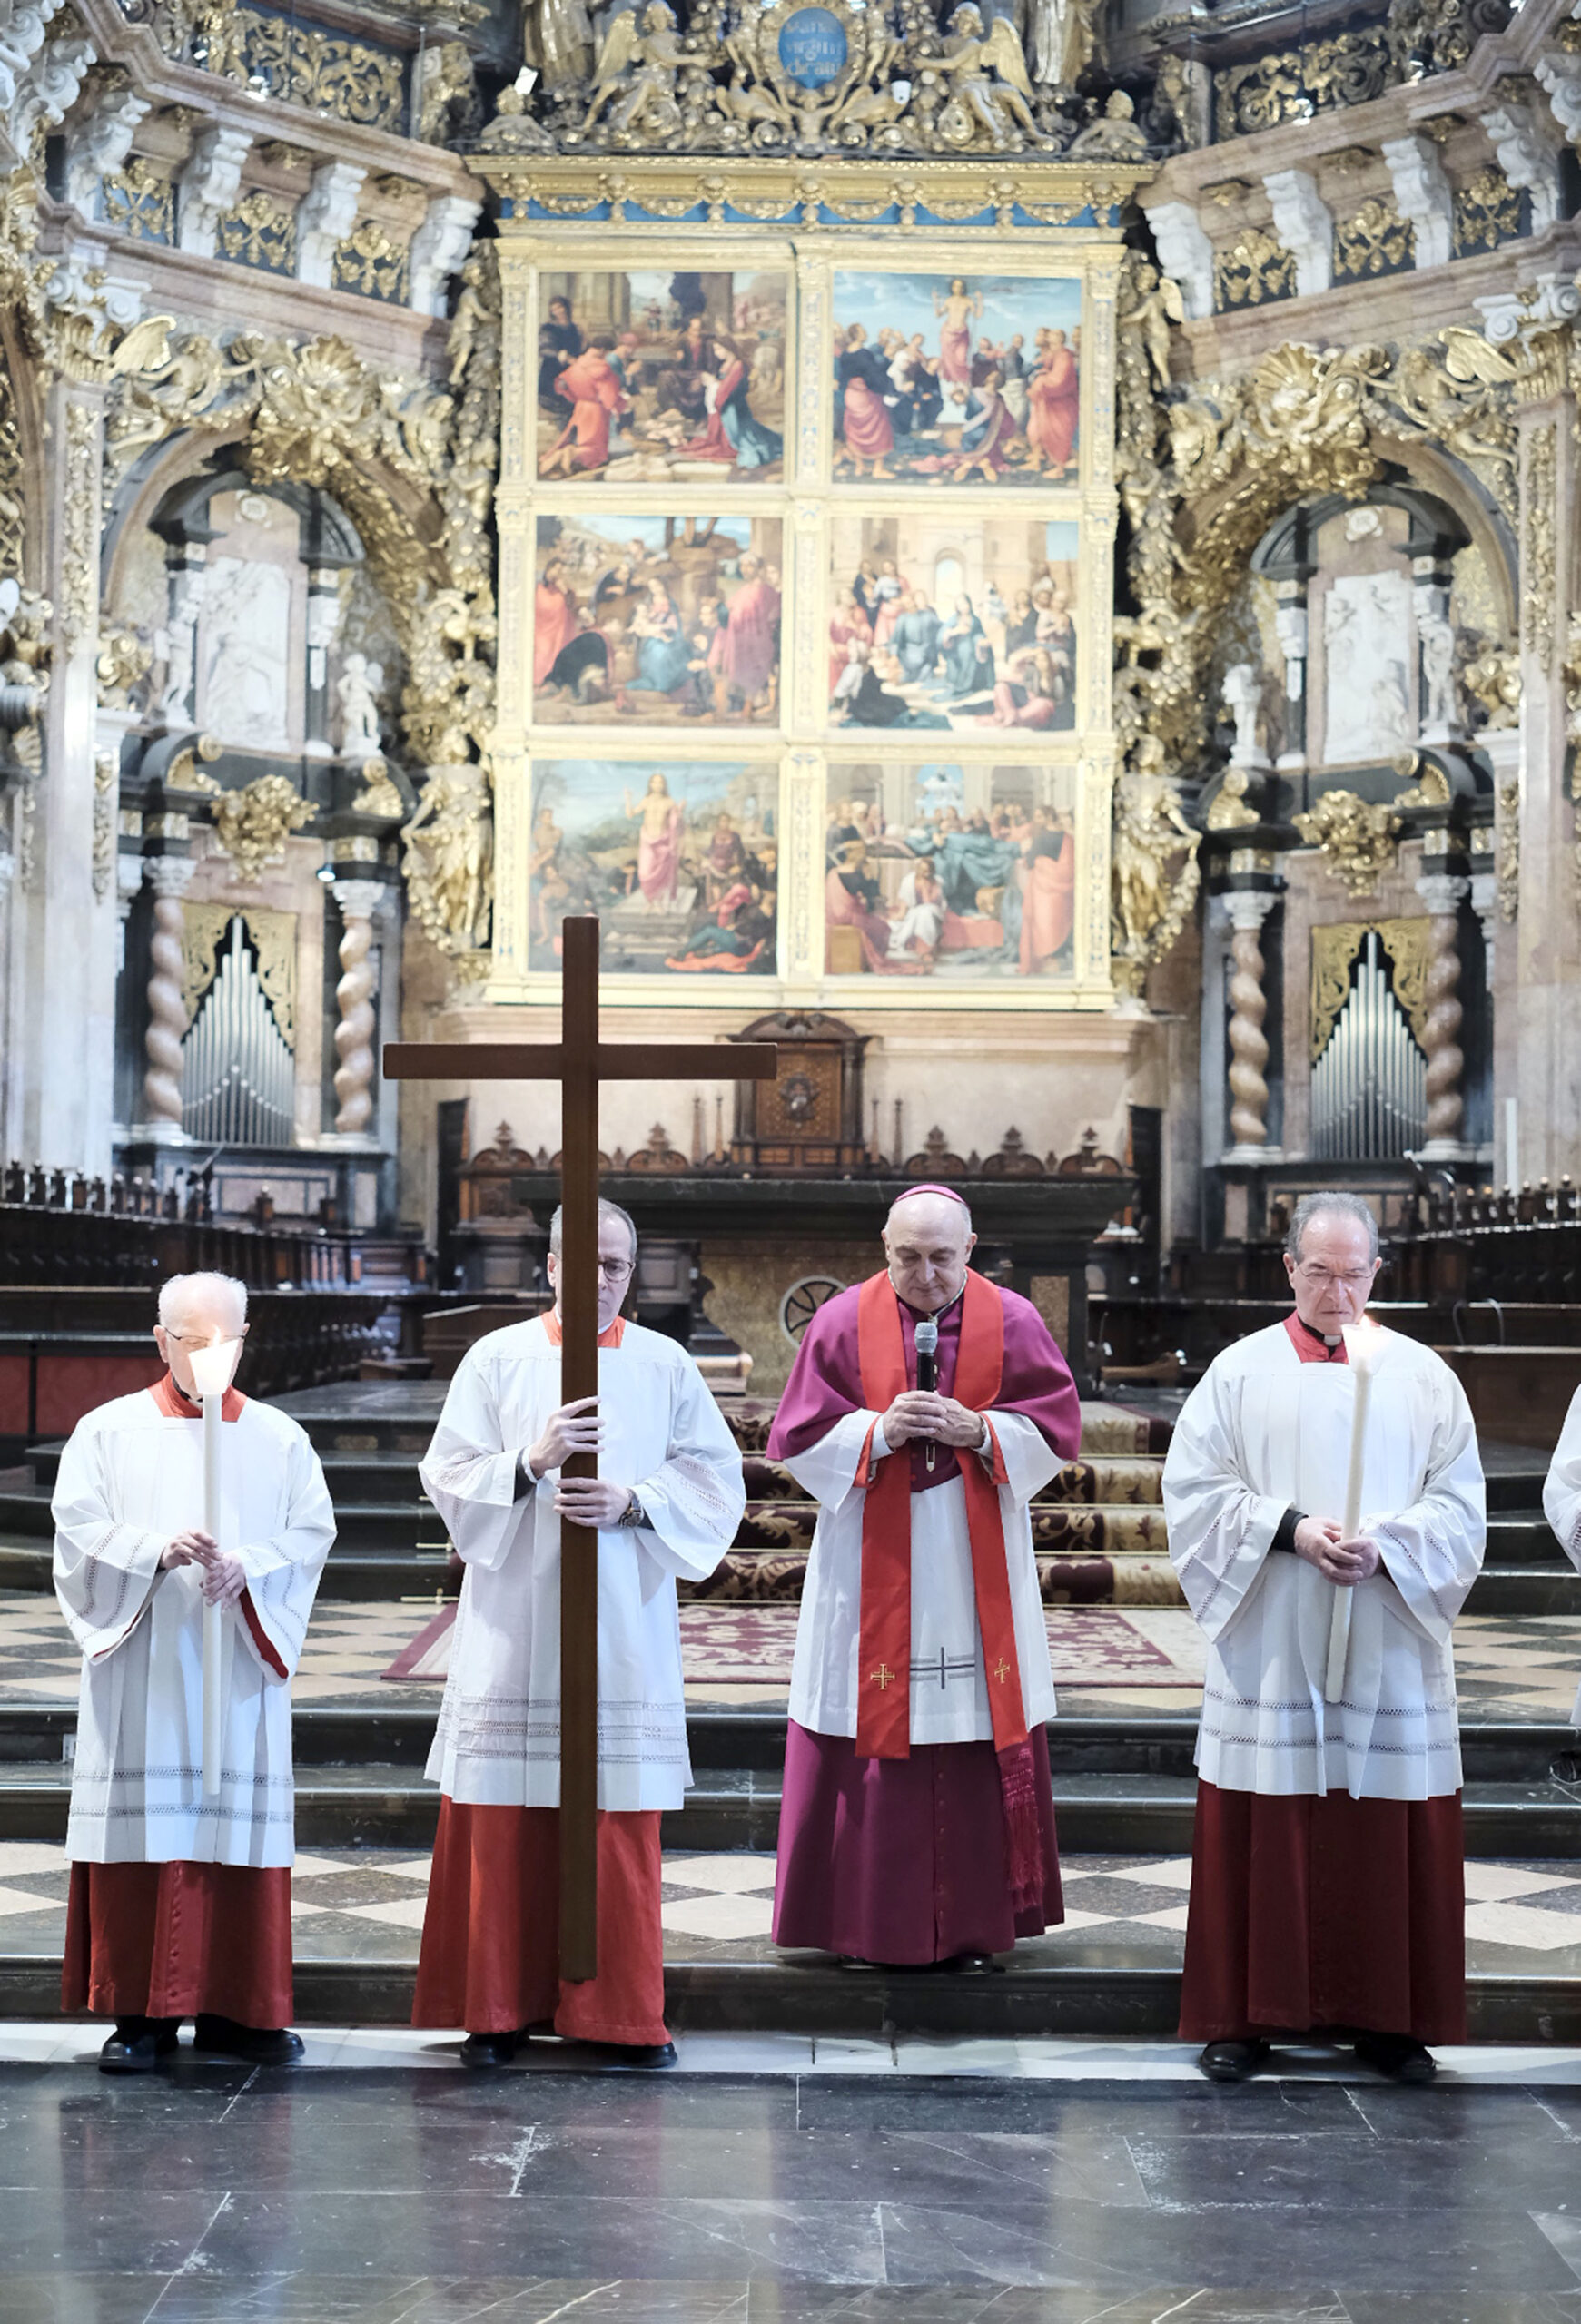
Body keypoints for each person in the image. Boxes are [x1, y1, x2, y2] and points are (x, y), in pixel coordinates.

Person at [412, 1199, 746, 2067]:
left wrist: (633, 1502)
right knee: (502, 1812)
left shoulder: (666, 1363)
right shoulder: (499, 1357)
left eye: (617, 1266)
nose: (601, 1280)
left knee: (612, 1815)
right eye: (585, 1262)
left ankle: (619, 2014)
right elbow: (445, 1474)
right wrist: (530, 1461)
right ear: (551, 1263)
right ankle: (494, 2009)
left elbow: (716, 1480)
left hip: (621, 1623)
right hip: (514, 1619)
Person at [1163, 1191, 1486, 2085]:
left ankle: (1389, 2018)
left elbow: (1459, 1507)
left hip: (1385, 1630)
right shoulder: (1237, 1373)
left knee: (1383, 1820)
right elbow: (1193, 1495)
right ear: (1288, 1269)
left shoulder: (1423, 1376)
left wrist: (1391, 1549)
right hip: (1274, 1629)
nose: (1337, 1290)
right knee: (1262, 1816)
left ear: (1376, 1272)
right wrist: (1290, 1529)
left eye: (1353, 1273)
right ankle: (1242, 2014)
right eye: (1318, 1271)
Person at [769, 1187, 1080, 1964]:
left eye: (942, 1257)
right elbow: (795, 1437)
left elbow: (1058, 1424)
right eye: (908, 1257)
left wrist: (983, 1430)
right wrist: (875, 1434)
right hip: (868, 1561)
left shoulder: (1012, 1319)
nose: (926, 1275)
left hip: (973, 1561)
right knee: (860, 1717)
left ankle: (979, 1920)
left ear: (971, 1248)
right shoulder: (840, 1320)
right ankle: (858, 1919)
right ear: (883, 1246)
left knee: (975, 1716)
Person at [53, 1271, 334, 2073]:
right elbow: (75, 1531)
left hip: (236, 1665)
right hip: (144, 1665)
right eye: (194, 1342)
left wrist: (248, 1567)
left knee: (229, 1823)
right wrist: (150, 1553)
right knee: (150, 1828)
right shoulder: (108, 1431)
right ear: (160, 1340)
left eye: (227, 1342)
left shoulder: (278, 1437)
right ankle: (140, 2014)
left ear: (247, 1339)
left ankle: (240, 2009)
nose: (213, 1357)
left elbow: (312, 1533)